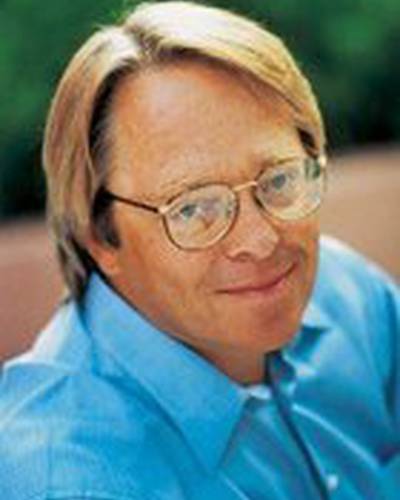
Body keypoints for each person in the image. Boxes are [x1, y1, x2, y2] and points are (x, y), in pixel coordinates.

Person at [0, 2, 399, 498]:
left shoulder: (349, 294)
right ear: (100, 237)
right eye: (192, 209)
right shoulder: (66, 480)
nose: (260, 241)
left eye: (278, 180)